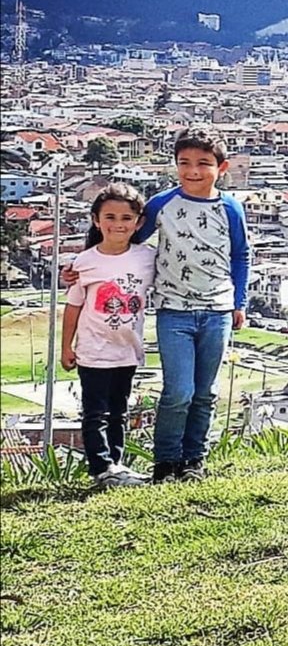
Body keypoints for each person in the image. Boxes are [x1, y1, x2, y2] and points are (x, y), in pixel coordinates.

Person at [63, 126, 250, 484]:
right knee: (178, 391)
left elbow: (241, 254)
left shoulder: (230, 207)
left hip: (217, 310)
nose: (193, 171)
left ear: (221, 168)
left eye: (203, 164)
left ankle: (194, 461)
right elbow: (124, 240)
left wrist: (239, 302)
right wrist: (83, 269)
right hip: (173, 310)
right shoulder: (163, 204)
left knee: (205, 392)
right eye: (184, 163)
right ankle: (165, 463)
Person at [61, 183, 156, 489]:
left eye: (126, 218)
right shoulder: (85, 262)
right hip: (93, 351)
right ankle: (101, 467)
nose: (118, 224)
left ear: (139, 222)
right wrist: (66, 346)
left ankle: (116, 466)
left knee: (119, 412)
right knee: (95, 413)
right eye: (110, 217)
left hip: (127, 350)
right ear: (96, 220)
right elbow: (73, 306)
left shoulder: (147, 258)